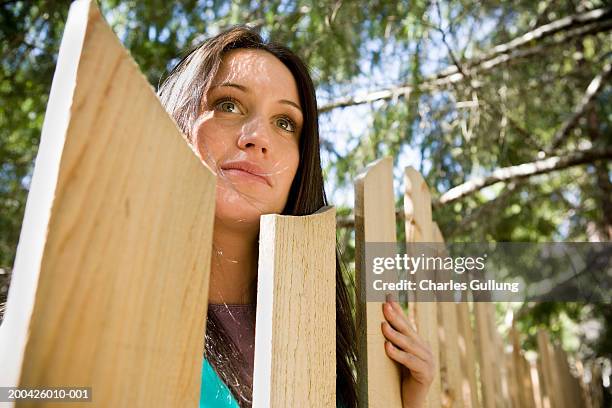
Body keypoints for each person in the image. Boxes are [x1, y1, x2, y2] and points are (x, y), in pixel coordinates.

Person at [158, 26, 435, 408]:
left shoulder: (320, 339)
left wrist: (411, 401)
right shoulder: (115, 308)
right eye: (228, 104)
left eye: (285, 123)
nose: (258, 137)